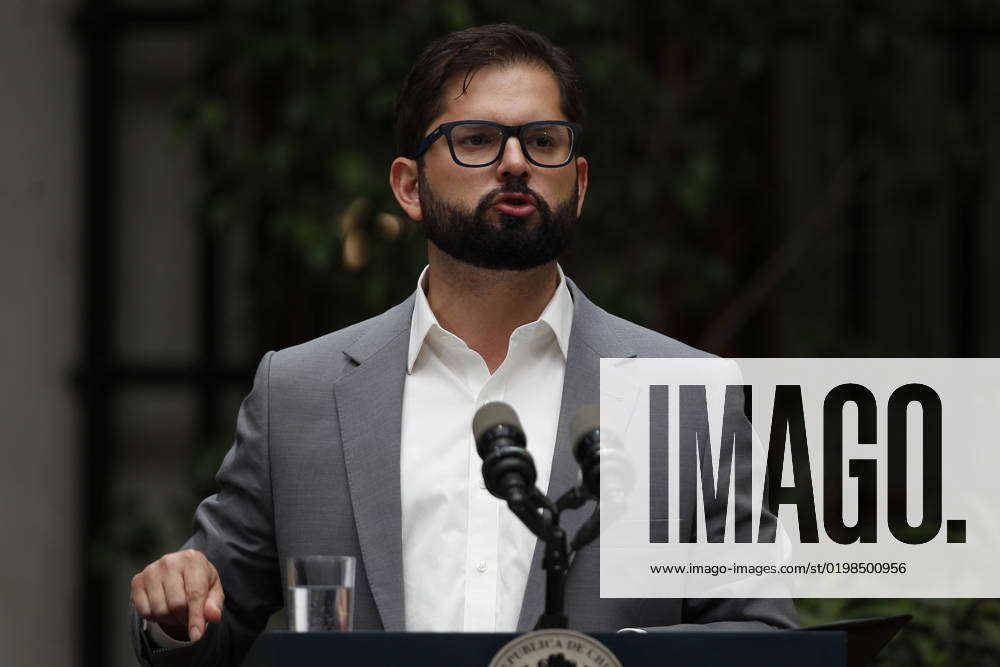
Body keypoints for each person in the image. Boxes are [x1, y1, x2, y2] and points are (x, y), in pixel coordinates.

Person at [128, 23, 797, 666]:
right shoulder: (298, 394)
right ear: (409, 187)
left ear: (580, 183)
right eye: (476, 139)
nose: (514, 163)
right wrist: (177, 607)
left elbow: (759, 632)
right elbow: (204, 628)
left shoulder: (687, 396)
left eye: (543, 140)